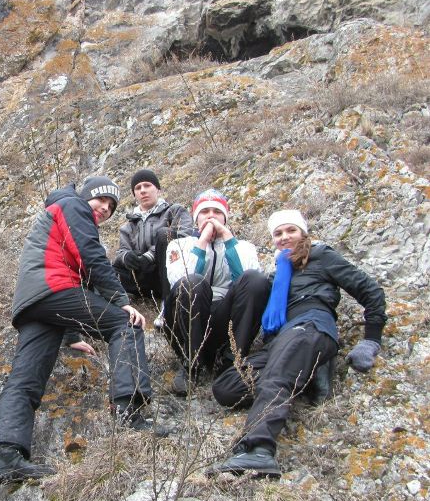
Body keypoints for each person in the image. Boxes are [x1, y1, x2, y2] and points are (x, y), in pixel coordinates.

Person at [0, 176, 170, 486]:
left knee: (26, 377)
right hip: (53, 288)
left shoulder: (61, 211)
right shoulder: (72, 205)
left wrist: (72, 336)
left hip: (36, 301)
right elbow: (90, 255)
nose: (105, 208)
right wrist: (121, 301)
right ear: (87, 197)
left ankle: (6, 456)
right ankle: (129, 411)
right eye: (101, 200)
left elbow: (80, 274)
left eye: (112, 207)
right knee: (125, 324)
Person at [208, 210, 386, 478]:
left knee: (276, 376)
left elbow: (370, 291)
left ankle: (258, 449)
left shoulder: (321, 255)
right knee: (227, 387)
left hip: (310, 326)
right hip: (280, 339)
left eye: (290, 230)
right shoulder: (278, 271)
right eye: (277, 233)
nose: (284, 237)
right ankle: (308, 373)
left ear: (303, 232)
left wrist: (371, 340)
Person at [160, 189, 269, 395]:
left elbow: (248, 283)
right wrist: (201, 243)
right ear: (196, 217)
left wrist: (228, 239)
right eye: (205, 212)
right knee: (192, 282)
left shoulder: (243, 247)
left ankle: (231, 359)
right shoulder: (178, 244)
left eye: (217, 212)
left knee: (256, 279)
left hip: (222, 320)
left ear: (225, 217)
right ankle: (191, 365)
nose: (211, 216)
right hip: (185, 321)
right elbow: (179, 281)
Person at [112, 169, 195, 302]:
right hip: (143, 275)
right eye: (138, 188)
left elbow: (184, 235)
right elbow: (122, 250)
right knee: (106, 268)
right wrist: (126, 257)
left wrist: (150, 255)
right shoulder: (128, 226)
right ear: (135, 195)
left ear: (158, 189)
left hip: (169, 272)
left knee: (164, 234)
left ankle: (168, 302)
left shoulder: (175, 211)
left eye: (147, 185)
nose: (143, 190)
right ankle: (125, 299)